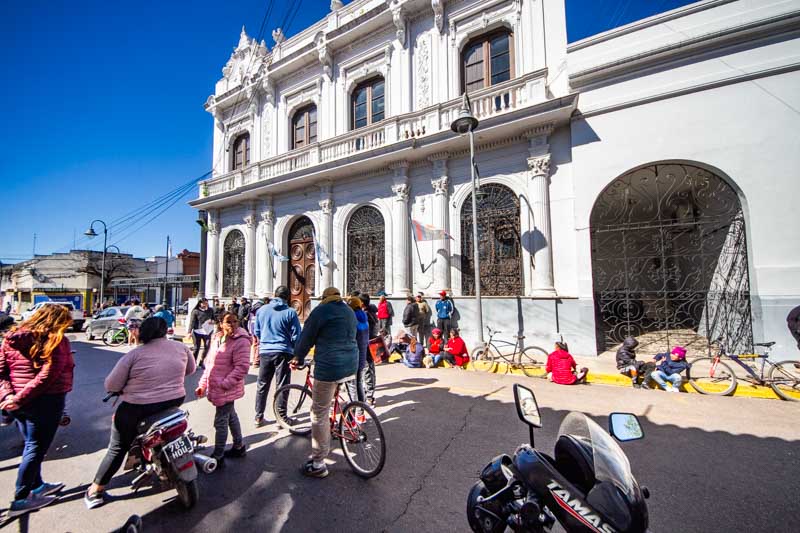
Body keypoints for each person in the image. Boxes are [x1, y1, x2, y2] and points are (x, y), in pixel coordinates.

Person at [85, 317, 195, 509]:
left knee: (117, 447)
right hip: (173, 401)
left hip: (137, 408)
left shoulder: (135, 355)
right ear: (165, 331)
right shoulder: (181, 348)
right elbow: (190, 369)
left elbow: (111, 385)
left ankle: (96, 489)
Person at [0, 305, 75, 514]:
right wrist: (18, 398)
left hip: (18, 403)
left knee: (30, 445)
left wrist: (10, 397)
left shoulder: (11, 338)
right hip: (45, 402)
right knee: (35, 448)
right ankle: (21, 498)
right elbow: (47, 377)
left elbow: (2, 372)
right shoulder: (57, 341)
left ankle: (37, 485)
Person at [291, 287, 358, 479]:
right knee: (334, 397)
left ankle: (319, 462)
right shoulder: (349, 311)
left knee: (318, 412)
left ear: (324, 298)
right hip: (350, 364)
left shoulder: (321, 311)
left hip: (329, 366)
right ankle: (344, 421)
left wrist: (298, 356)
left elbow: (307, 337)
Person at [195, 313, 250, 466]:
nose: (232, 325)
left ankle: (218, 455)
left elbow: (242, 367)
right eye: (228, 322)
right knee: (230, 416)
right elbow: (209, 365)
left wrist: (225, 384)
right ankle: (239, 446)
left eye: (235, 321)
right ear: (220, 324)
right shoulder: (217, 338)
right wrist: (203, 384)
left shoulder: (241, 341)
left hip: (225, 388)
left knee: (220, 421)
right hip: (217, 386)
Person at [253, 286, 300, 427]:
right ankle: (281, 417)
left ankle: (258, 417)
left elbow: (257, 331)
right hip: (284, 352)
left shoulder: (261, 310)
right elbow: (296, 335)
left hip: (265, 351)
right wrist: (296, 351)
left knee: (262, 384)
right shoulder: (290, 312)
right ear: (288, 297)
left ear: (274, 295)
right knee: (282, 385)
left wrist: (266, 341)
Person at [345, 296, 370, 402]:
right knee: (359, 383)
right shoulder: (364, 318)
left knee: (351, 386)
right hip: (362, 357)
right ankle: (360, 412)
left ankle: (353, 410)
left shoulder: (352, 320)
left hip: (352, 358)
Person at [359, 294, 378, 406]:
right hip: (370, 345)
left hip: (366, 346)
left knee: (367, 371)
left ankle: (369, 397)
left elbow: (365, 332)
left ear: (362, 303)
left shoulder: (366, 315)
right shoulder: (372, 313)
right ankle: (370, 394)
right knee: (370, 370)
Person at [189, 299, 215, 367]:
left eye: (206, 303)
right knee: (196, 348)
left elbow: (214, 319)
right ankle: (193, 363)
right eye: (204, 303)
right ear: (200, 303)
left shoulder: (210, 310)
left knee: (207, 346)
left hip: (207, 331)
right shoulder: (195, 311)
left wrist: (212, 321)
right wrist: (189, 332)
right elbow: (192, 322)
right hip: (197, 331)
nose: (205, 305)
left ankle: (202, 361)